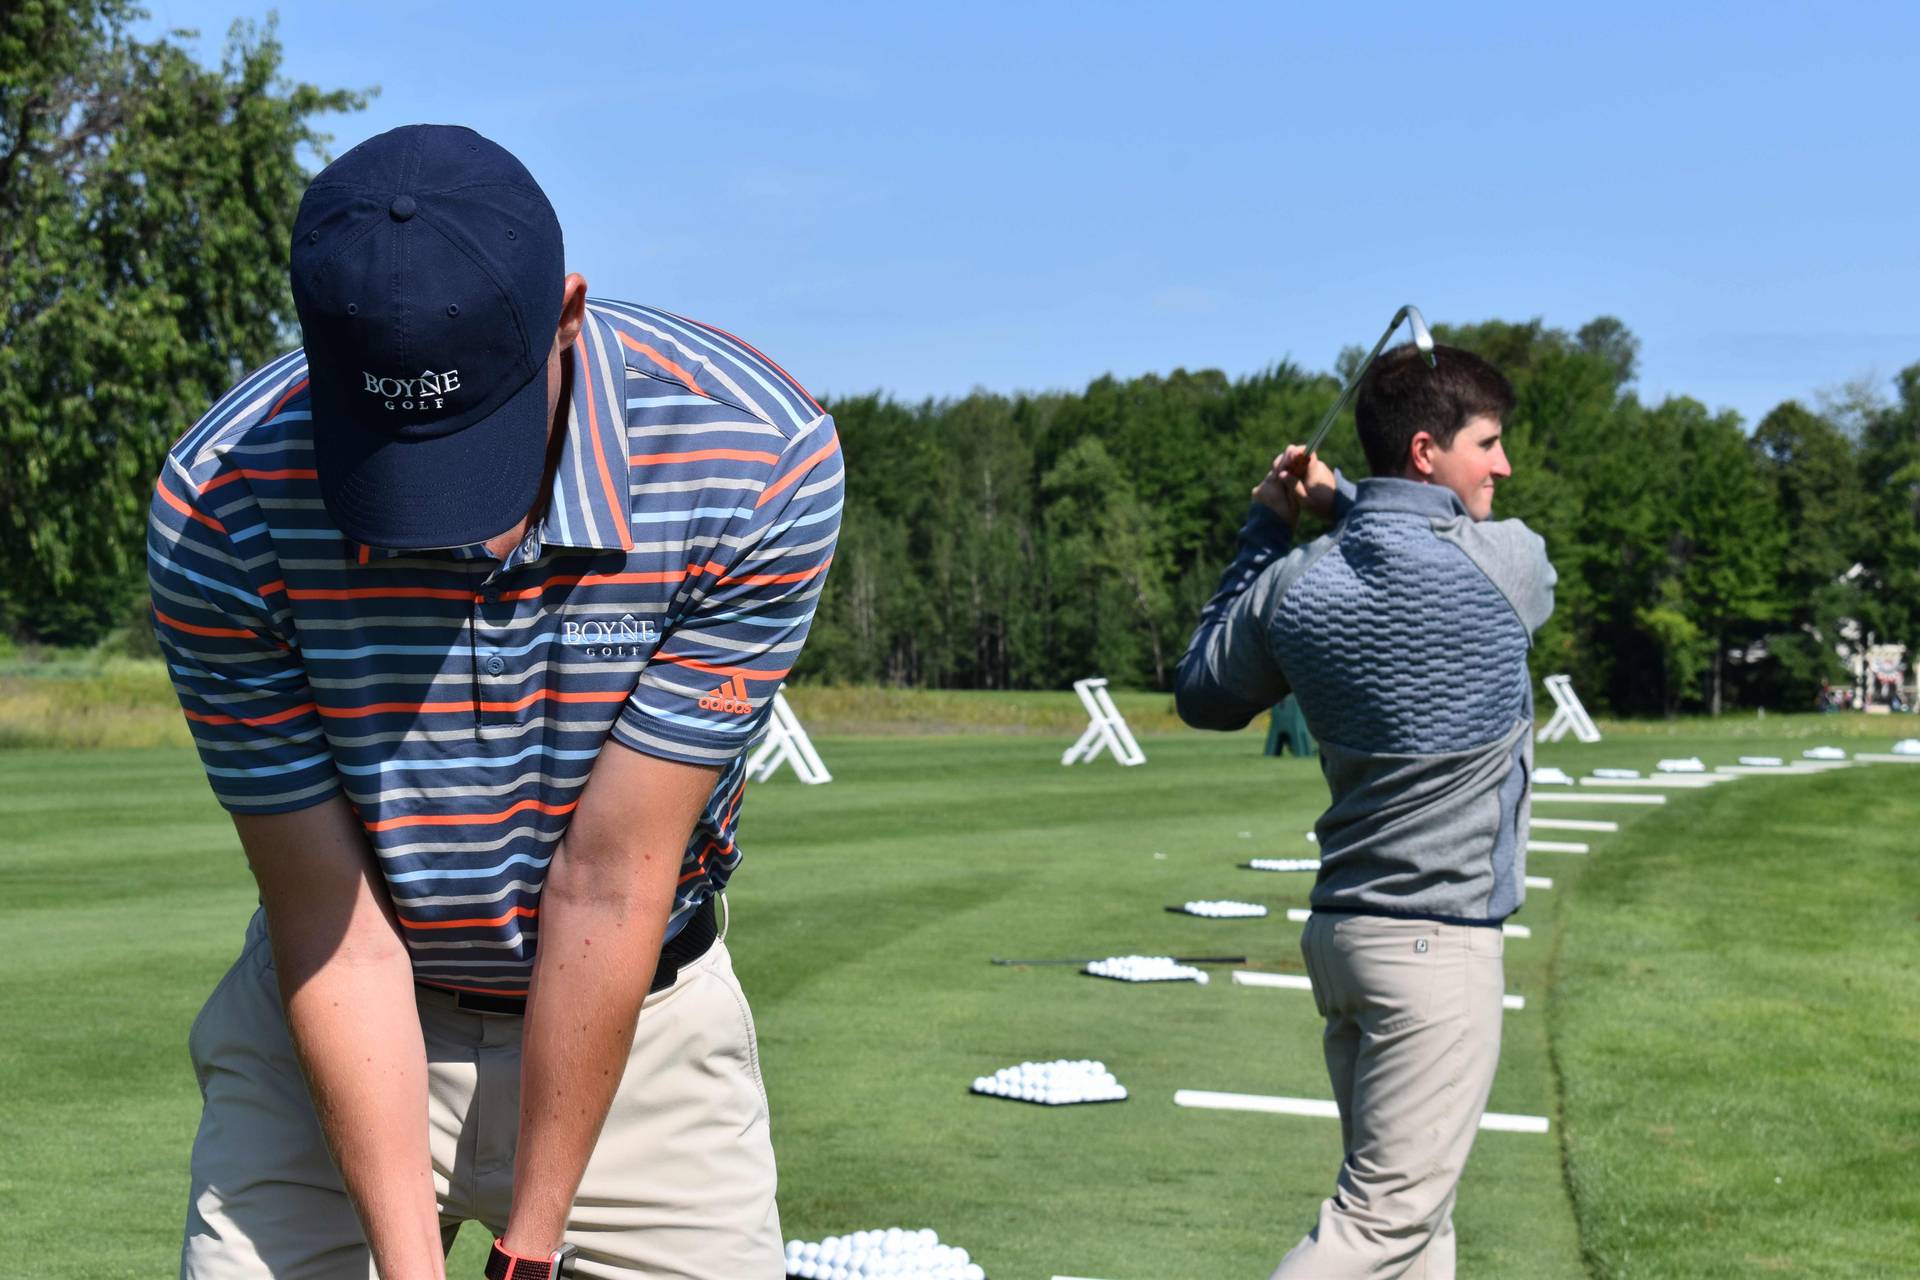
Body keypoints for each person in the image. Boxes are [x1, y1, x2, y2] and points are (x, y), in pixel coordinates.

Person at [148, 124, 843, 1279]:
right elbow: (334, 925)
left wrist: (530, 1248)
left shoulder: (753, 462)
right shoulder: (221, 504)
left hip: (644, 1033)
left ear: (568, 315)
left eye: (478, 450)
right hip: (335, 1009)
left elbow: (611, 878)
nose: (458, 528)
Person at [1173, 343, 1554, 1278]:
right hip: (1441, 946)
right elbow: (1425, 544)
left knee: (1422, 1219)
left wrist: (1271, 525)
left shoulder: (1293, 584)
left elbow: (1204, 691)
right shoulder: (1510, 563)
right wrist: (1339, 497)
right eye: (1488, 445)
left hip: (1347, 939)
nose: (1503, 466)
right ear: (1426, 451)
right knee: (1383, 1221)